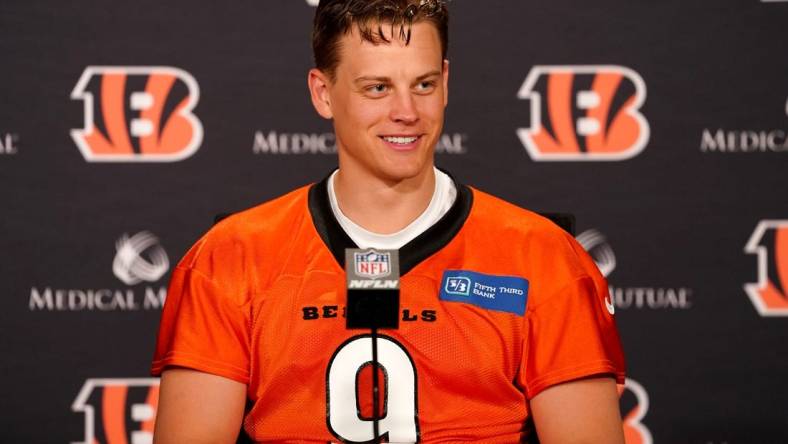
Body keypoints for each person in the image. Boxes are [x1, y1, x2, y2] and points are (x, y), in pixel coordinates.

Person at [151, 0, 626, 442]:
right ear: (323, 92)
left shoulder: (543, 258)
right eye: (377, 88)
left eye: (423, 85)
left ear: (446, 81)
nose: (407, 112)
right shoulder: (230, 258)